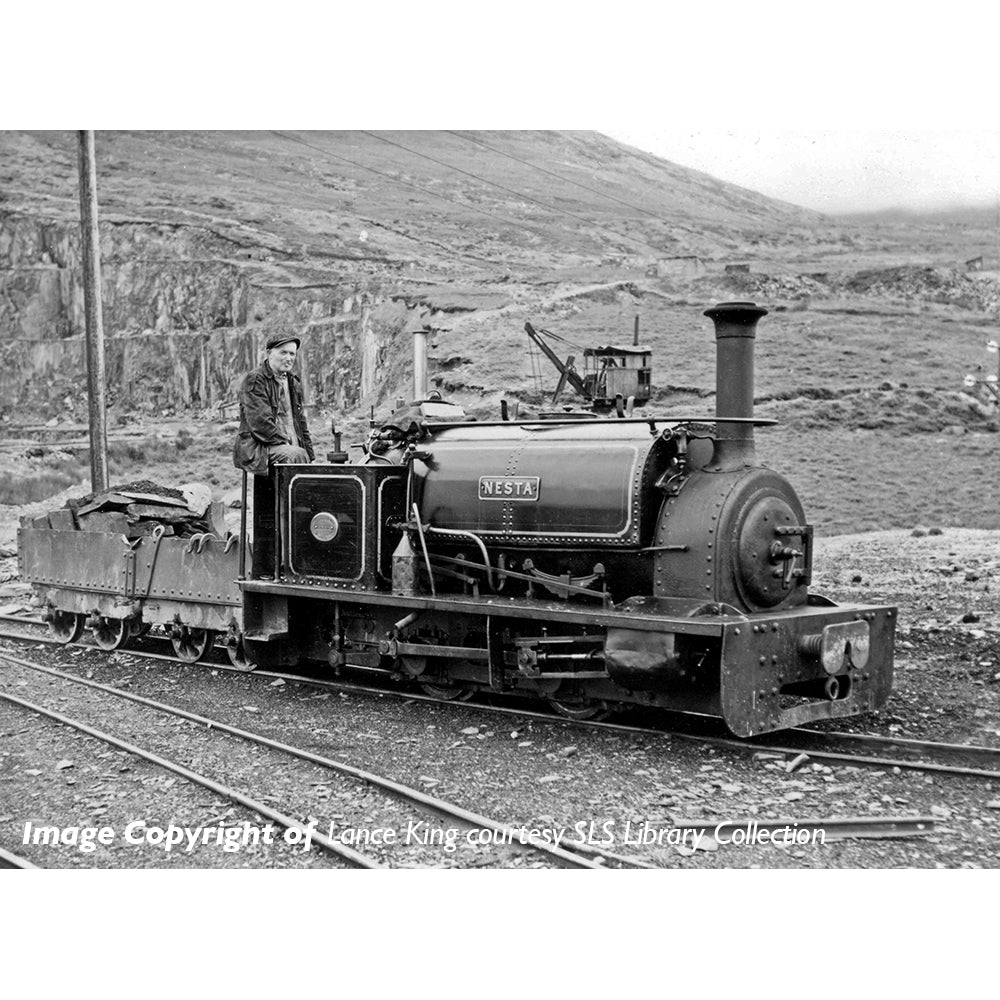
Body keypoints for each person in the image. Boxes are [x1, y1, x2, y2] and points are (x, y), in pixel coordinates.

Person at [233, 334, 315, 473]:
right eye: (283, 353)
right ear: (269, 353)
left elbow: (301, 423)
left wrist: (311, 455)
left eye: (292, 354)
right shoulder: (256, 379)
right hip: (259, 446)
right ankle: (287, 495)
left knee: (313, 465)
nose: (288, 358)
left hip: (288, 444)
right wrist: (287, 444)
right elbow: (260, 424)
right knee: (296, 455)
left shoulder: (292, 382)